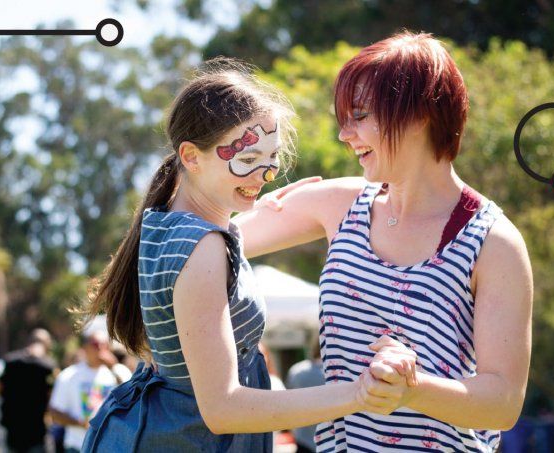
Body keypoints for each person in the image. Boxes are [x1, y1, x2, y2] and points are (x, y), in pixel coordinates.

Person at [80, 59, 414, 452]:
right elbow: (223, 408)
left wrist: (257, 208)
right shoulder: (203, 247)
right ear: (191, 157)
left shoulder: (166, 226)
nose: (262, 174)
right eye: (247, 160)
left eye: (270, 161)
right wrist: (358, 395)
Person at [234, 31, 533, 451]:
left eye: (359, 115)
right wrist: (241, 200)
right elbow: (210, 240)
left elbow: (502, 402)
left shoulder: (492, 241)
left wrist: (413, 389)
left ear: (420, 115)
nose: (344, 134)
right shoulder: (339, 204)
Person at [49, 331, 120, 452]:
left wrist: (114, 367)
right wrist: (81, 424)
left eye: (105, 345)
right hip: (77, 446)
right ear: (85, 348)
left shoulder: (115, 373)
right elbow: (55, 413)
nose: (102, 349)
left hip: (110, 446)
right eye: (96, 344)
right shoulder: (68, 375)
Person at [0, 328, 57, 453]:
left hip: (13, 431)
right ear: (46, 345)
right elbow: (52, 397)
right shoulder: (48, 366)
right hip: (37, 432)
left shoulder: (10, 361)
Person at [286, 335, 325, 453]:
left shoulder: (297, 370)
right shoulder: (336, 374)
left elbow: (287, 406)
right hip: (331, 440)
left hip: (303, 440)